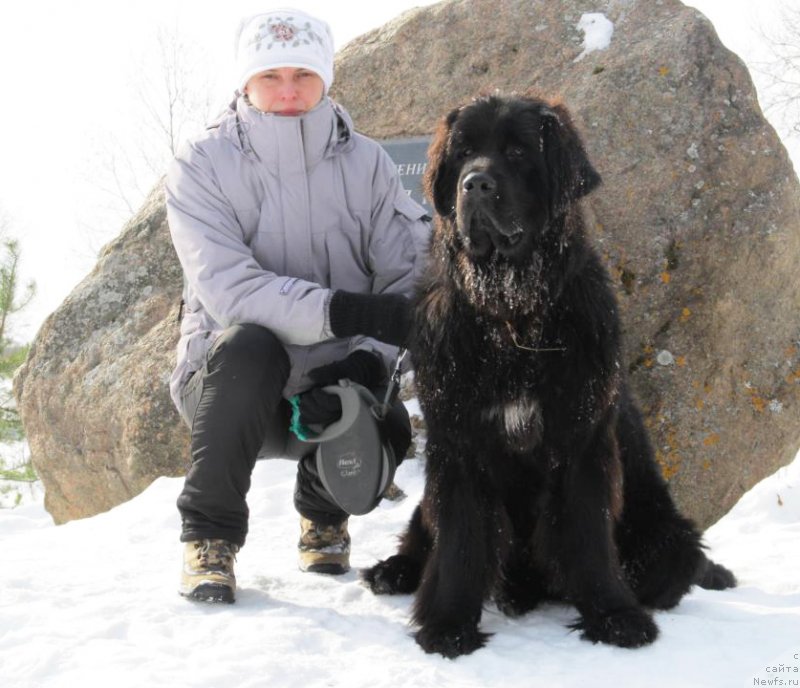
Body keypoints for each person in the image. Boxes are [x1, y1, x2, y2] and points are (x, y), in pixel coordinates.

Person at [165, 8, 429, 604]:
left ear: (326, 78)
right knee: (248, 345)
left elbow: (409, 278)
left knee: (387, 414)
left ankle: (323, 511)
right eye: (271, 75)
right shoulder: (200, 165)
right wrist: (348, 313)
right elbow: (231, 291)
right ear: (245, 81)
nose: (288, 91)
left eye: (303, 74)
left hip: (333, 384)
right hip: (229, 383)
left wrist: (364, 362)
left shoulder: (368, 165)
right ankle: (209, 538)